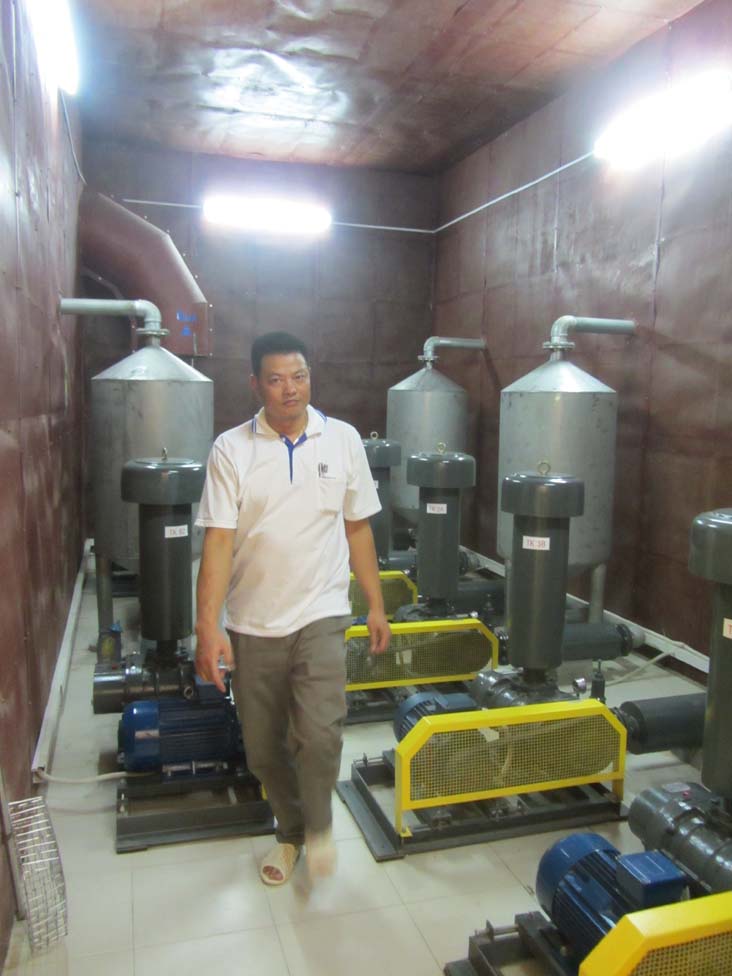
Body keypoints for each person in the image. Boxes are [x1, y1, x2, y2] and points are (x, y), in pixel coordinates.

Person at [194, 330, 391, 886]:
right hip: (253, 620)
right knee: (262, 748)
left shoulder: (342, 439)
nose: (290, 389)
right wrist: (207, 626)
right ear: (255, 384)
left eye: (299, 377)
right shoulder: (231, 449)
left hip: (321, 612)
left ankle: (317, 826)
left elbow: (357, 527)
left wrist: (375, 604)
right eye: (276, 379)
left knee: (321, 733)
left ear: (310, 378)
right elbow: (218, 542)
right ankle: (292, 830)